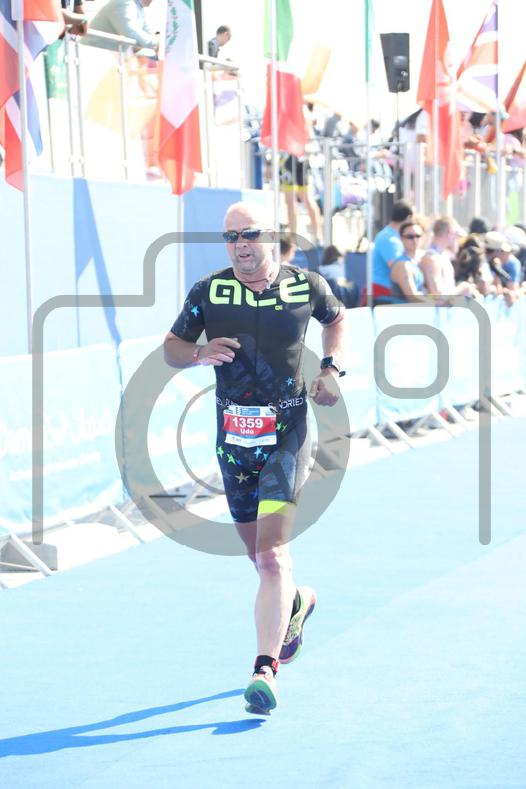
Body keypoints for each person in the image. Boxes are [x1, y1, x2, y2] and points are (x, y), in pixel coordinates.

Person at [164, 201, 347, 714]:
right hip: (234, 442)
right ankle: (296, 603)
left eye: (249, 234)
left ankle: (264, 670)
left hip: (288, 434)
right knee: (257, 555)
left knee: (271, 556)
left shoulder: (305, 286)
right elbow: (172, 346)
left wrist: (332, 369)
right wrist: (197, 354)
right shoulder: (209, 292)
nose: (240, 245)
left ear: (272, 235)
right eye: (230, 237)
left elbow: (337, 320)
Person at [370, 198, 414, 305]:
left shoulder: (391, 236)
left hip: (390, 293)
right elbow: (398, 269)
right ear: (408, 218)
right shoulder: (389, 239)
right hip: (385, 295)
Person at [83, 0, 159, 51]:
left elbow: (147, 31)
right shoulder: (124, 2)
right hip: (94, 53)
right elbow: (130, 32)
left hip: (106, 55)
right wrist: (156, 43)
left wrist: (157, 40)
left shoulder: (137, 7)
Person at [390, 220, 426, 303]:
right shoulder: (402, 265)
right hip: (404, 310)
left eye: (418, 236)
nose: (415, 240)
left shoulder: (417, 261)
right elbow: (413, 297)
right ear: (401, 239)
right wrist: (436, 303)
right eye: (410, 237)